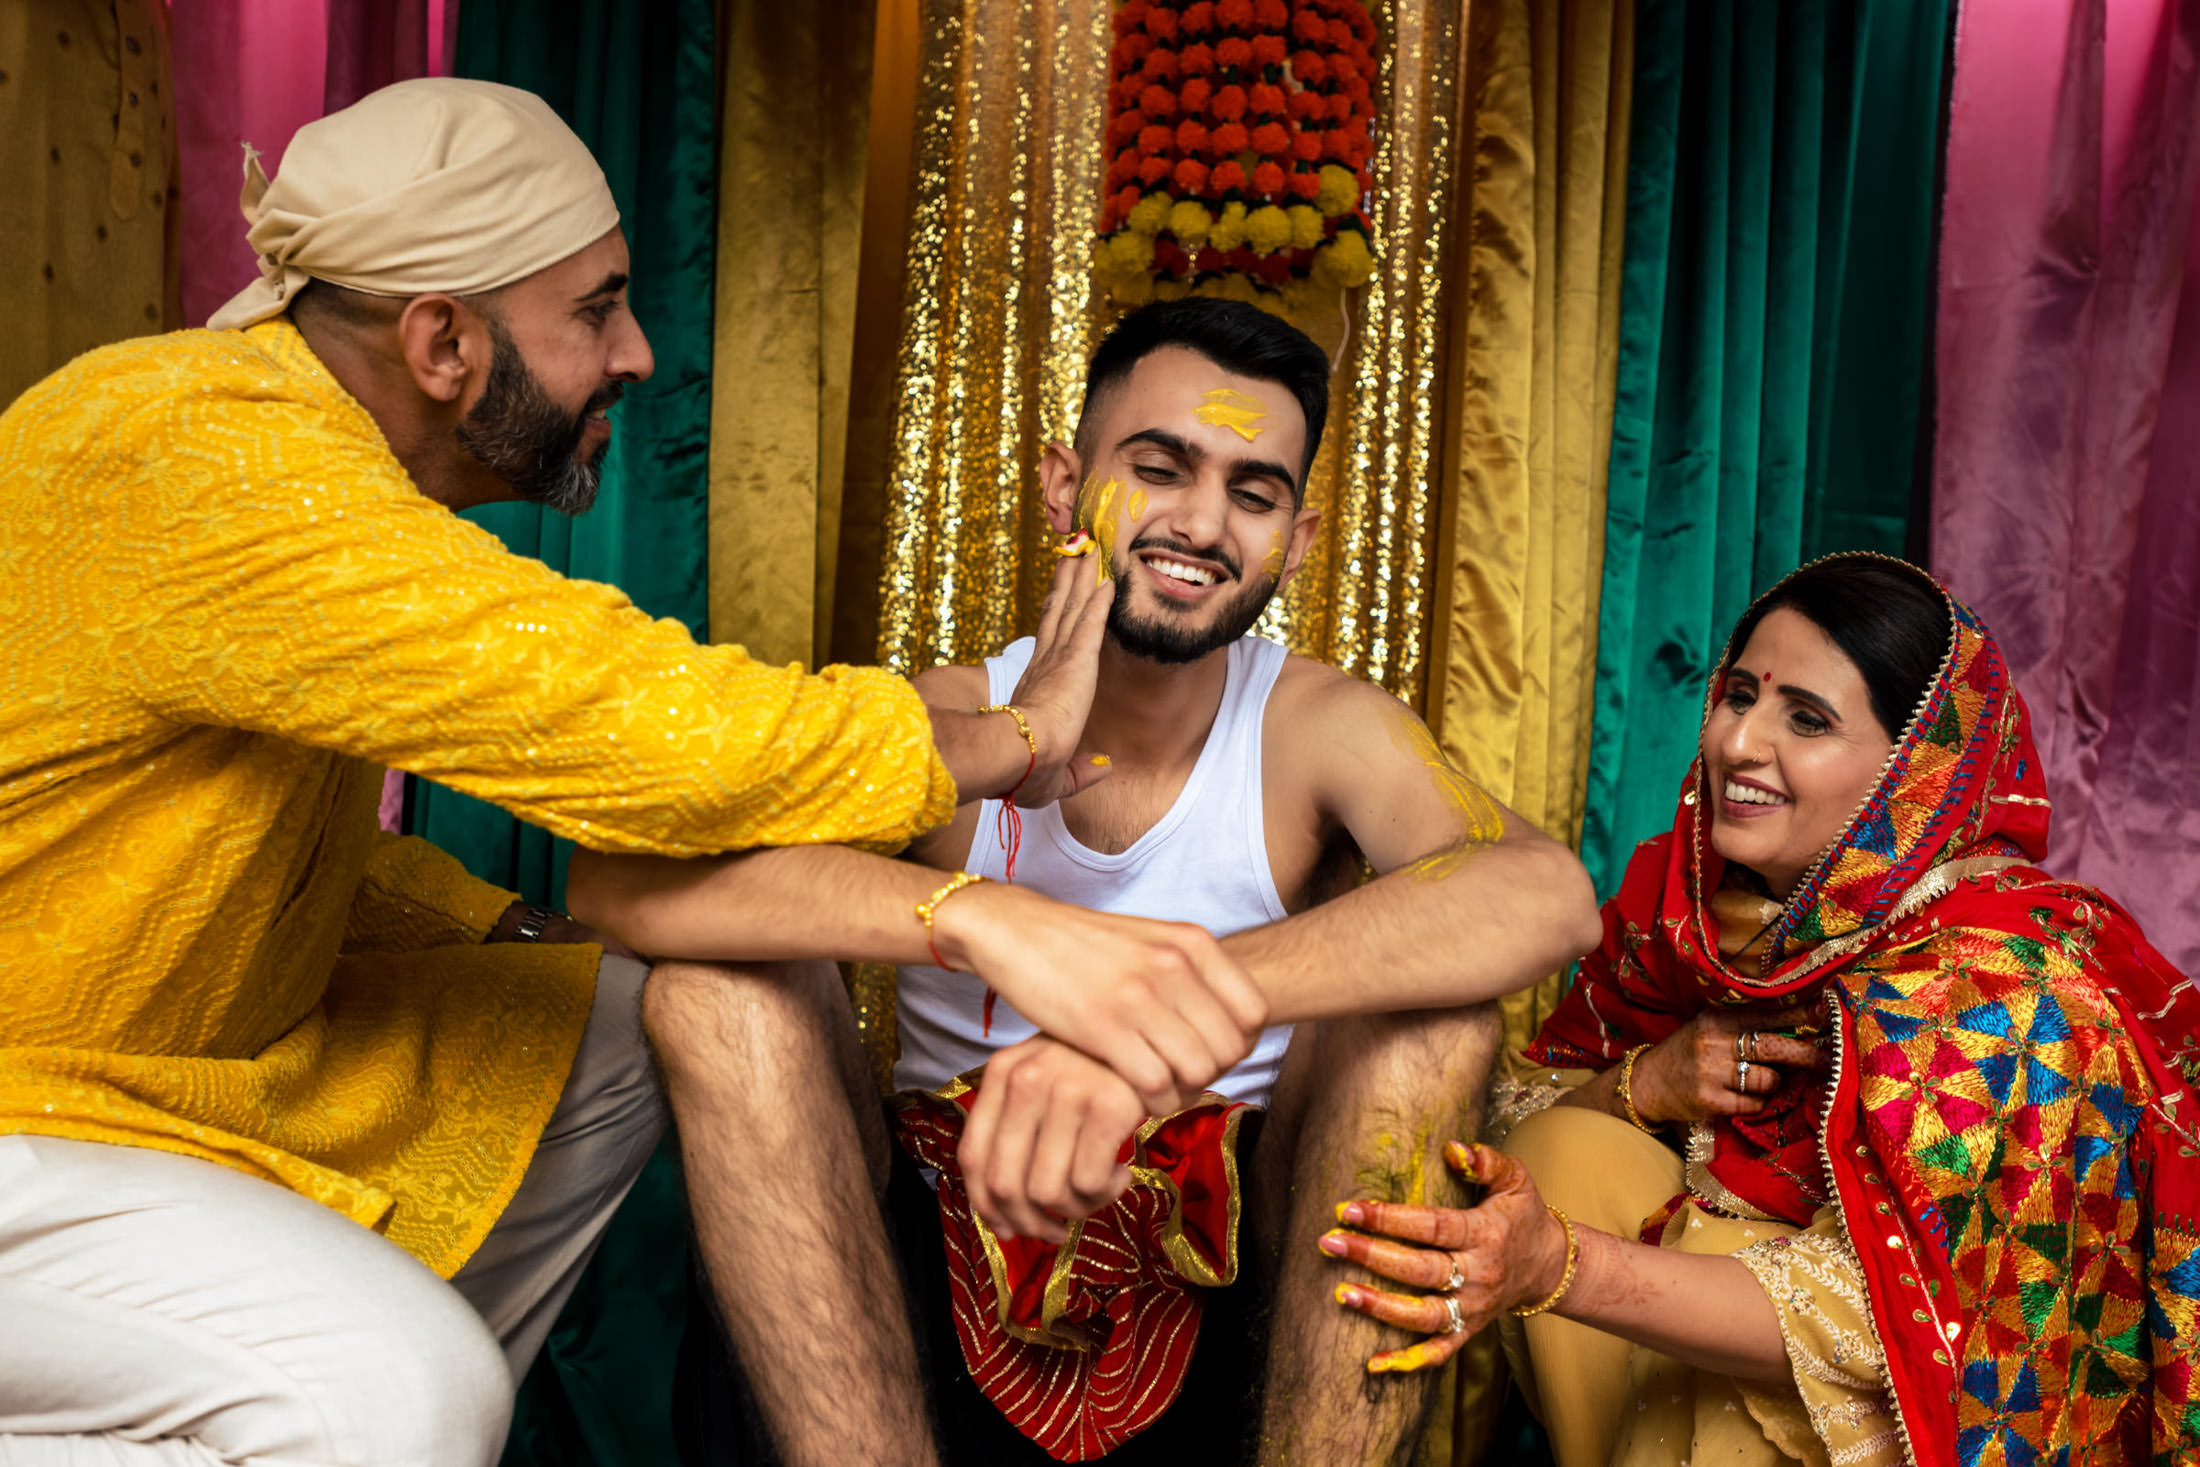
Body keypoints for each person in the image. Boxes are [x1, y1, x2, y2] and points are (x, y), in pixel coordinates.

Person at [0, 80, 1270, 1466]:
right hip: (30, 1105)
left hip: (111, 1088)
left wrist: (505, 926)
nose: (640, 352)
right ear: (441, 340)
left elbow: (238, 849)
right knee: (396, 1388)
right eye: (597, 308)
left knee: (603, 1026)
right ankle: (366, 1415)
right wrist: (1019, 749)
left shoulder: (292, 453)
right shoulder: (213, 459)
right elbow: (661, 730)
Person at [569, 298, 1605, 1466]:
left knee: (1435, 1025)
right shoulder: (951, 714)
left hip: (1241, 1293)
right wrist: (986, 918)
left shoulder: (1319, 724)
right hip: (905, 1297)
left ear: (1297, 542)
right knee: (715, 995)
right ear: (1064, 487)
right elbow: (626, 884)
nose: (1202, 522)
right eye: (1159, 468)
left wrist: (1141, 1020)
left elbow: (1546, 894)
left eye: (1253, 494)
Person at [1315, 554, 2200, 1467]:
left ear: (1919, 772)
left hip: (1933, 1420)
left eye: (1806, 720)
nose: (1739, 742)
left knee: (1731, 1349)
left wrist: (1558, 1265)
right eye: (1739, 696)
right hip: (1694, 1359)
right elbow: (1508, 1127)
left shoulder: (2003, 990)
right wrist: (1644, 1086)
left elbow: (1906, 1330)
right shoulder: (1689, 913)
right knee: (1564, 1149)